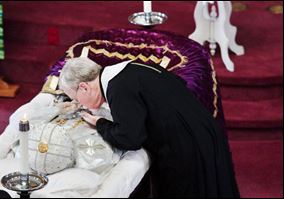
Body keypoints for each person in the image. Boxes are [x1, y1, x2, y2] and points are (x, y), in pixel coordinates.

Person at [58, 57, 240, 198]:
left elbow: (130, 138)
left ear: (83, 87)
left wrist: (100, 123)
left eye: (75, 97)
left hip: (188, 149)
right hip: (203, 130)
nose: (77, 103)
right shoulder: (128, 70)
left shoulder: (118, 88)